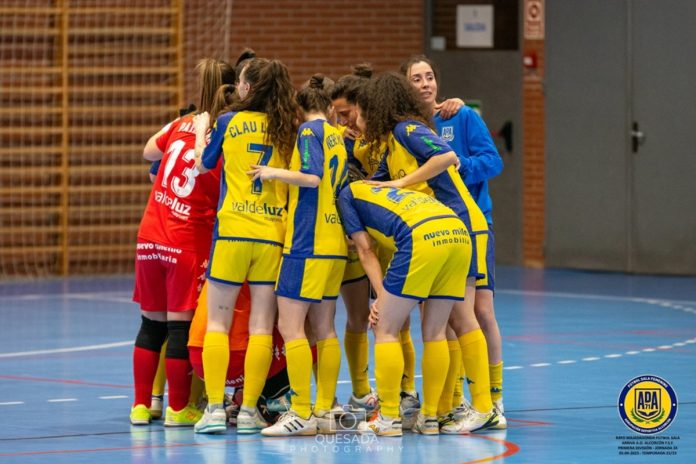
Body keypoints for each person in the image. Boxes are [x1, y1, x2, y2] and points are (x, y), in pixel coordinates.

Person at [356, 71, 499, 433]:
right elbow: (378, 181)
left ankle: (486, 406)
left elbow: (447, 157)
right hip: (444, 229)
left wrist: (405, 181)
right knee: (442, 324)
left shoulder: (407, 129)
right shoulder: (392, 142)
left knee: (464, 317)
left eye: (365, 110)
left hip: (464, 222)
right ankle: (436, 412)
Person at [192, 57, 298, 434]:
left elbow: (204, 164)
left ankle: (216, 409)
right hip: (272, 234)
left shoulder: (228, 121)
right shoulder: (289, 128)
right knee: (260, 327)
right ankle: (251, 410)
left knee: (218, 324)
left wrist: (201, 131)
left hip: (233, 231)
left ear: (247, 88)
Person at [401, 55, 506, 428]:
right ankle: (455, 400)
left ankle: (494, 398)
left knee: (480, 312)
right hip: (436, 233)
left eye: (430, 76)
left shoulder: (459, 117)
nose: (426, 83)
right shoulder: (410, 129)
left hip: (473, 223)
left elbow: (493, 162)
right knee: (444, 320)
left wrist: (458, 162)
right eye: (417, 78)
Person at [130, 58, 234, 427]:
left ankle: (142, 407)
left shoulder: (181, 123)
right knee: (179, 327)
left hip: (150, 233)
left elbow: (148, 152)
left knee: (150, 325)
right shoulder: (227, 133)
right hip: (186, 237)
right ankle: (178, 409)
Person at [248, 74, 349, 436]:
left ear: (300, 109)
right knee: (324, 329)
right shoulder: (338, 136)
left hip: (307, 242)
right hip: (335, 242)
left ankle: (302, 411)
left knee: (290, 326)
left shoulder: (310, 133)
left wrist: (273, 171)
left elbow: (312, 177)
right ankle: (323, 409)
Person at [337, 181, 472, 436]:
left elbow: (365, 249)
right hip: (458, 233)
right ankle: (431, 417)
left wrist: (380, 295)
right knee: (436, 332)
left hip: (421, 236)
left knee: (384, 326)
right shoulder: (389, 190)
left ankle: (388, 417)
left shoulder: (347, 194)